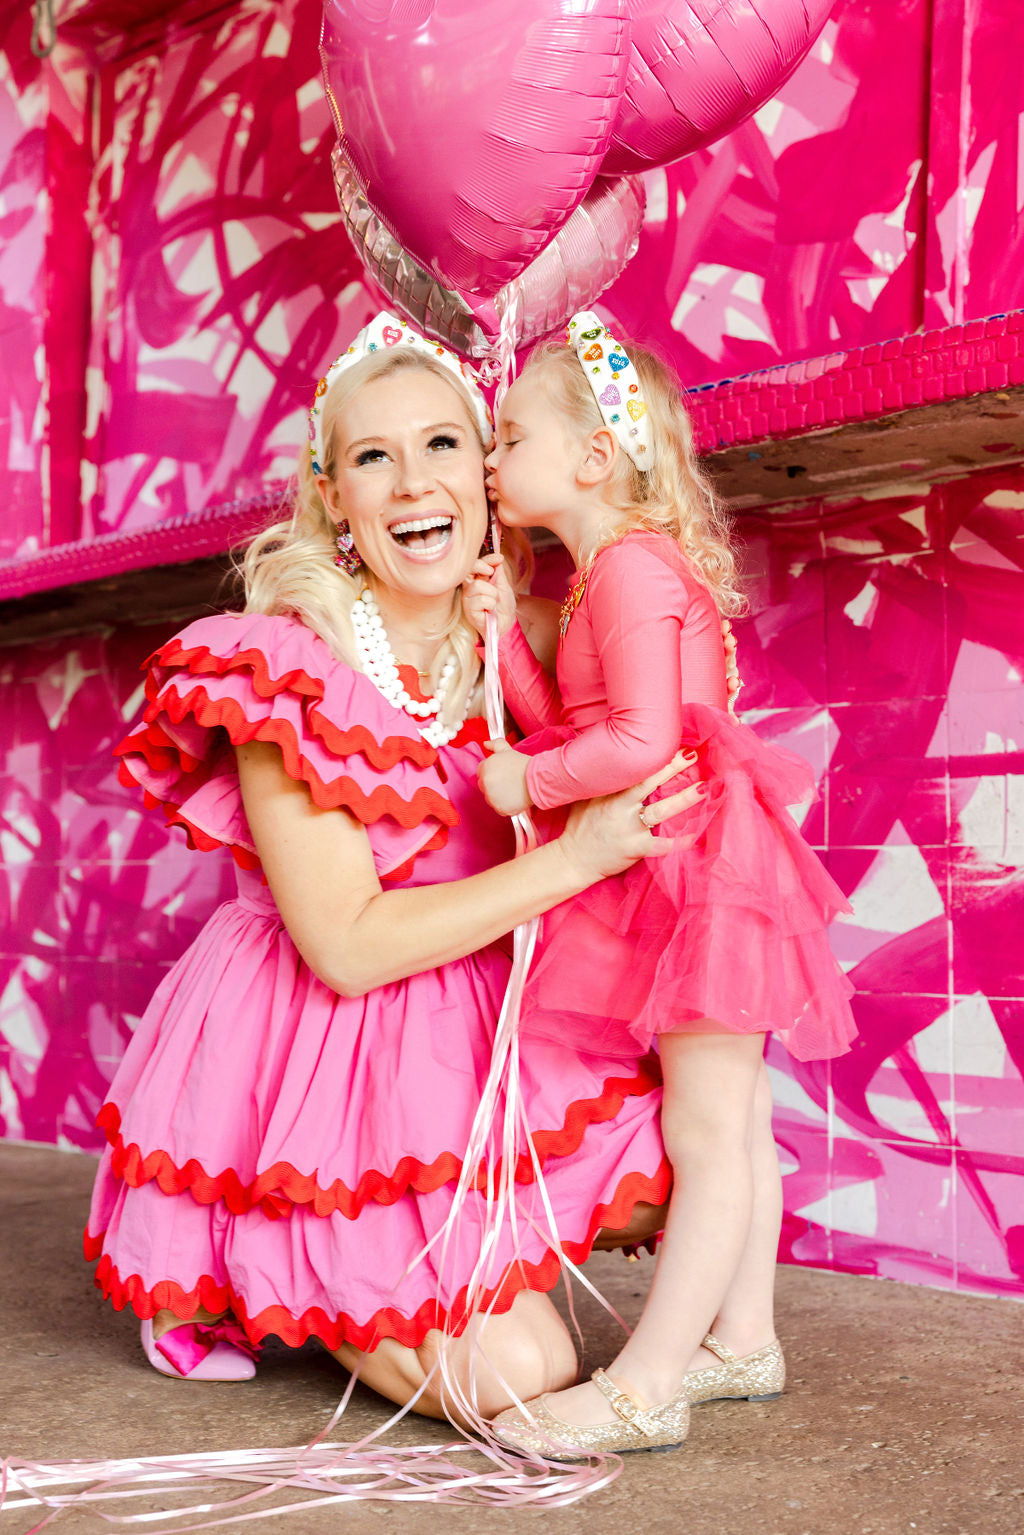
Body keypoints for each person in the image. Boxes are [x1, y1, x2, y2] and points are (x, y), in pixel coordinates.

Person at [84, 312, 706, 1425]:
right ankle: (261, 1254)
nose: (413, 481)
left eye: (444, 444)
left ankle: (347, 1264)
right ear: (334, 497)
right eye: (374, 456)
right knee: (522, 1371)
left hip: (459, 1030)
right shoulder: (284, 664)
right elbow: (348, 946)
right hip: (313, 1056)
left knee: (691, 1154)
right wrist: (581, 855)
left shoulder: (518, 643)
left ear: (489, 469)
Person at [462, 312, 858, 1458]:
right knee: (735, 1120)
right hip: (680, 856)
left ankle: (651, 1382)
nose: (493, 460)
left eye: (511, 436)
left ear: (593, 458)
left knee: (708, 1131)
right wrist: (506, 650)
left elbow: (632, 743)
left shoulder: (631, 567)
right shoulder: (606, 572)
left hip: (694, 868)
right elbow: (585, 721)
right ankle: (743, 1339)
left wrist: (517, 779)